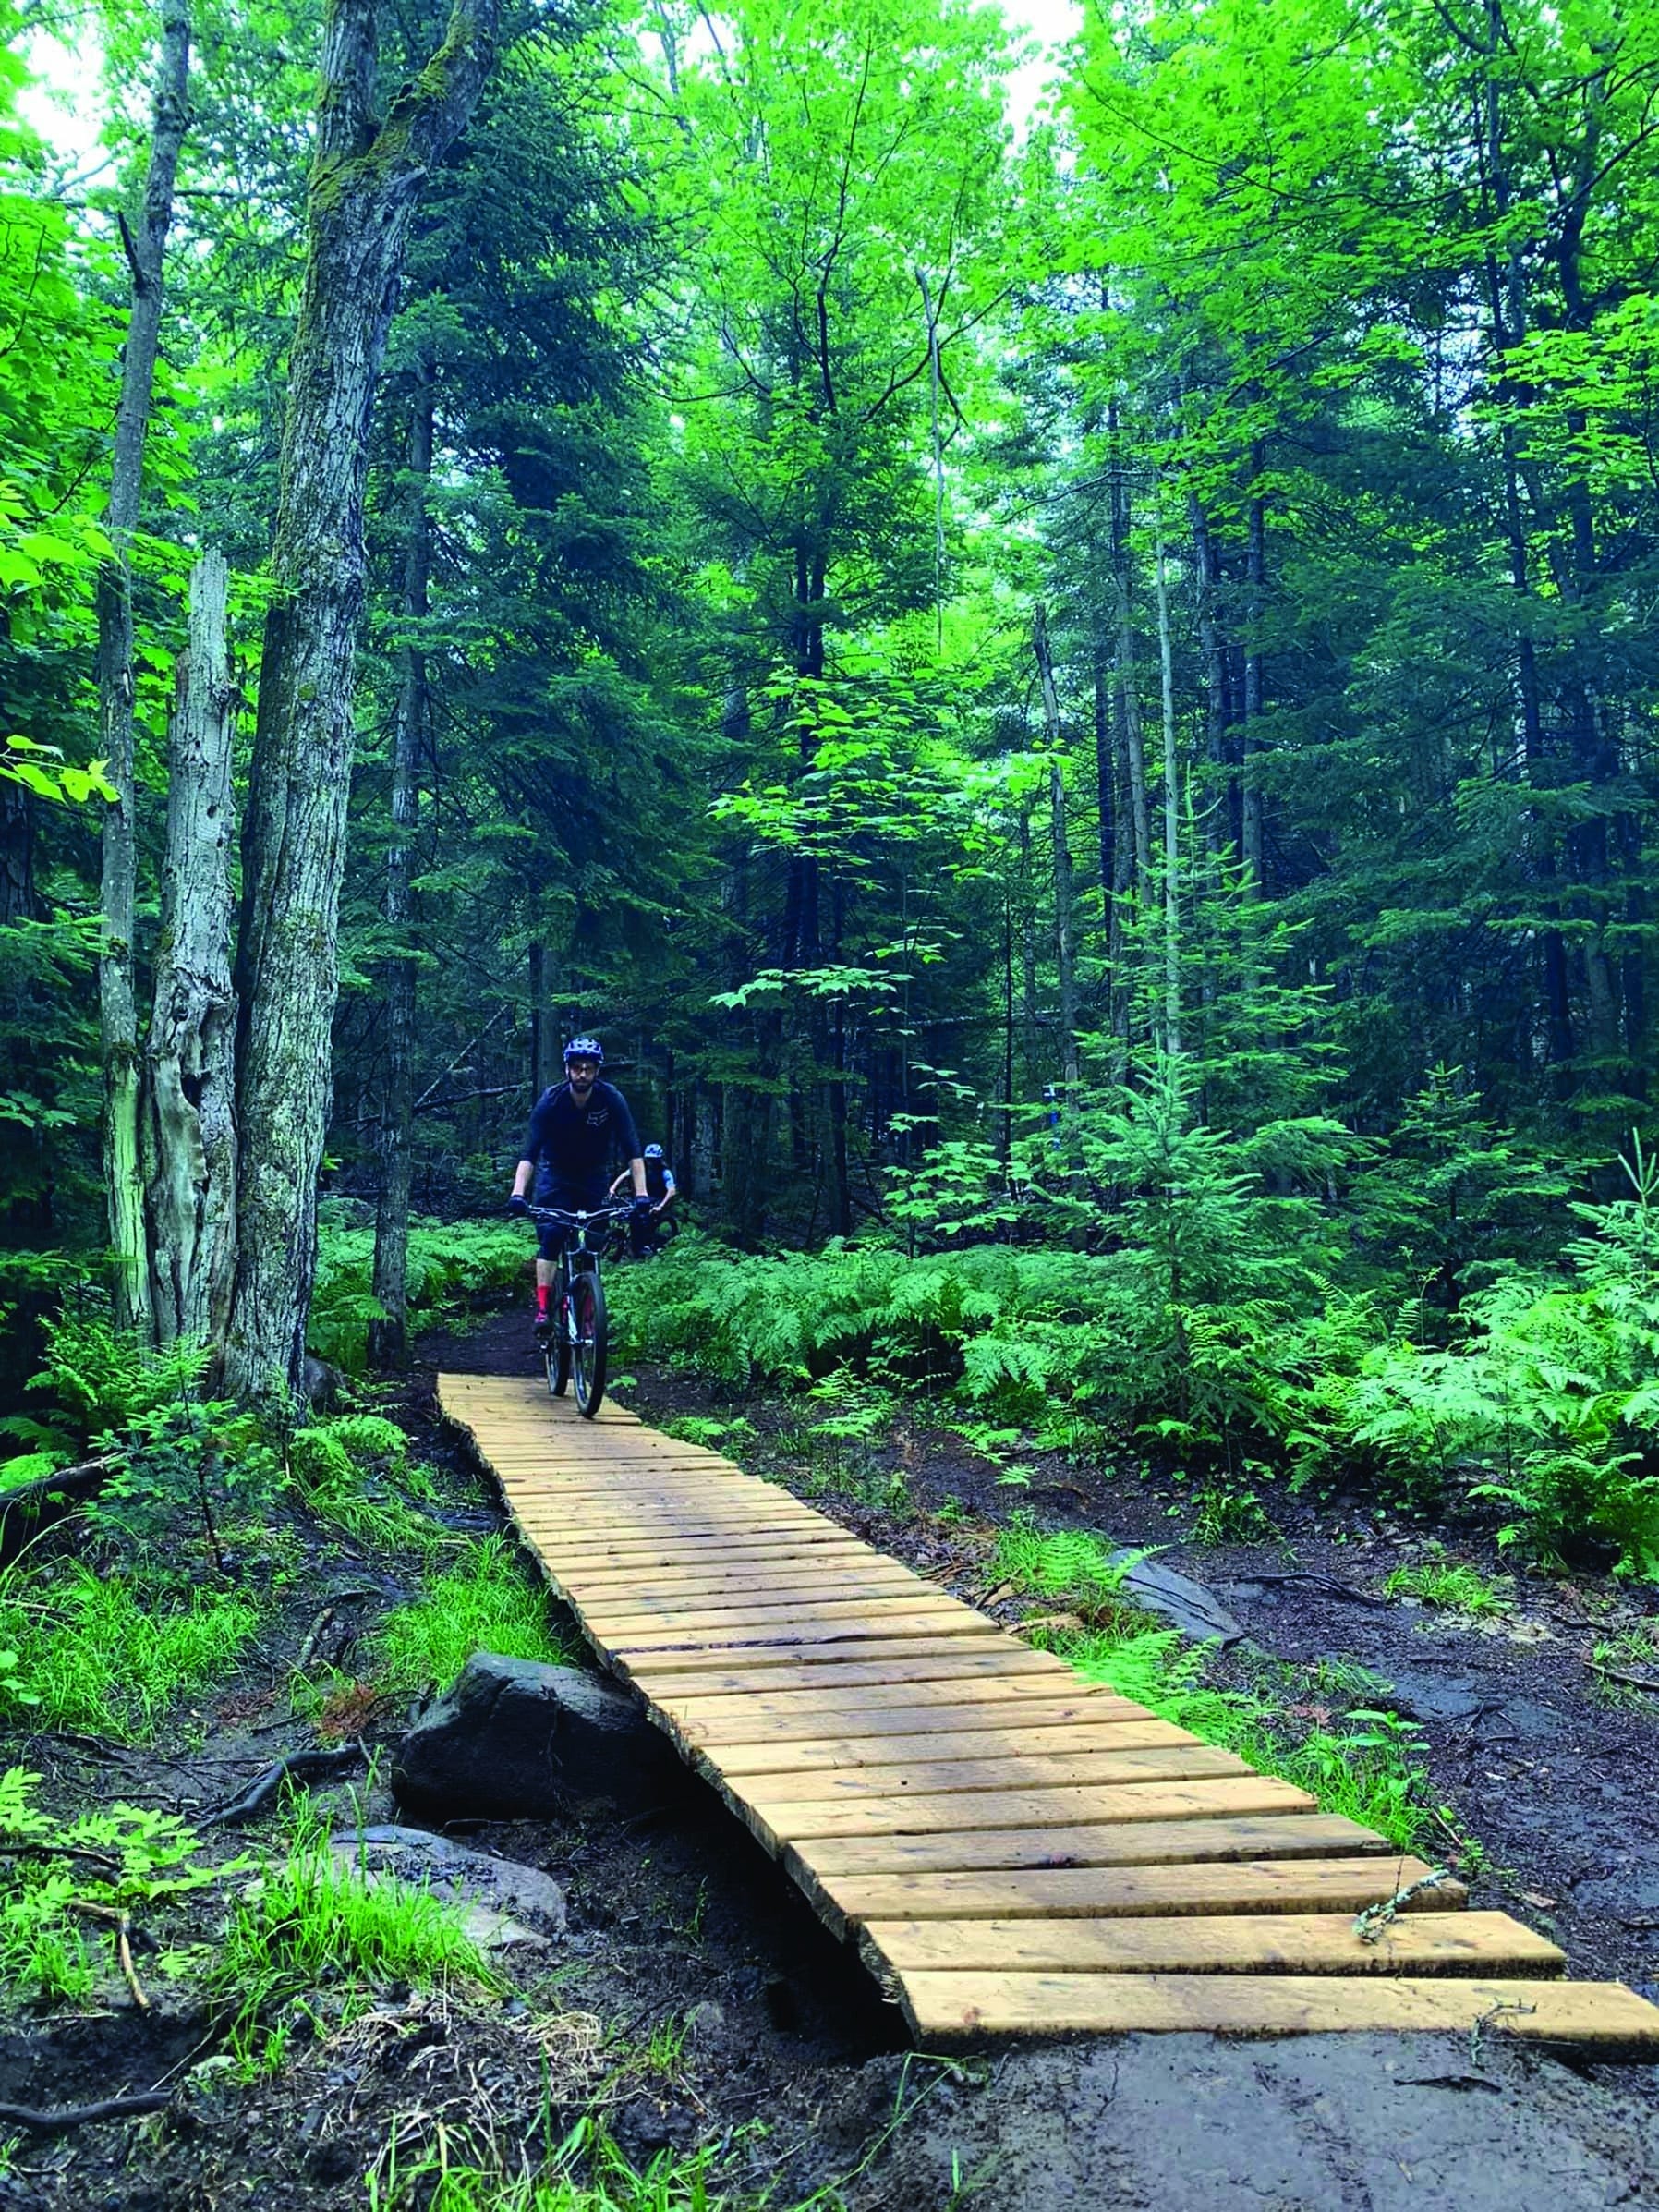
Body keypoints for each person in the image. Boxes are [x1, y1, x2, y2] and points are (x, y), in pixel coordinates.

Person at [508, 1037, 651, 1343]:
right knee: (552, 1235)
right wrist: (518, 1193)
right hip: (555, 1176)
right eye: (577, 1068)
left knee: (594, 1242)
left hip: (594, 1177)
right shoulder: (552, 1101)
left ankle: (588, 1311)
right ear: (568, 1070)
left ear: (597, 1070)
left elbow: (633, 1150)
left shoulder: (611, 1099)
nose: (582, 1074)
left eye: (588, 1068)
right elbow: (529, 1154)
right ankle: (544, 1310)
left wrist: (641, 1195)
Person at [610, 1142, 678, 1255]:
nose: (650, 1162)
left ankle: (647, 1245)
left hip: (658, 1199)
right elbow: (624, 1175)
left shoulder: (665, 1172)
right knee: (631, 1213)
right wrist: (613, 1188)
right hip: (642, 1197)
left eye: (653, 1160)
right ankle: (632, 1243)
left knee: (647, 1218)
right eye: (649, 1159)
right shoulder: (640, 1168)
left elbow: (671, 1191)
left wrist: (660, 1206)